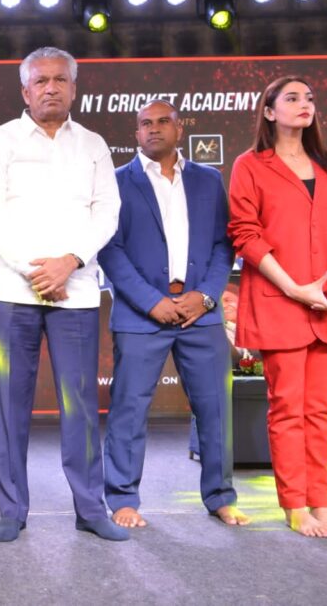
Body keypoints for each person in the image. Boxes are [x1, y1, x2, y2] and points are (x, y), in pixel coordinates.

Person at [0, 47, 127, 542]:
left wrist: (70, 262)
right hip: (11, 290)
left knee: (80, 407)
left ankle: (90, 509)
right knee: (11, 405)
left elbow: (107, 212)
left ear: (74, 89)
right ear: (25, 91)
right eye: (40, 81)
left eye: (60, 80)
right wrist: (35, 270)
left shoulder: (93, 144)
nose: (50, 88)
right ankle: (11, 511)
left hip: (76, 292)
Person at [227, 76, 327, 538]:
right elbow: (245, 233)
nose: (304, 104)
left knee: (322, 410)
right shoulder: (250, 165)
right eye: (291, 98)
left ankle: (321, 506)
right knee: (287, 409)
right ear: (269, 111)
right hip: (280, 304)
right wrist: (294, 288)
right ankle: (294, 507)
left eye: (309, 98)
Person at [98, 99, 249, 529]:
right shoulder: (116, 182)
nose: (154, 129)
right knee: (128, 410)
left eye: (163, 121)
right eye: (145, 123)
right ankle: (123, 499)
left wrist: (207, 296)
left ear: (179, 129)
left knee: (215, 409)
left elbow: (223, 244)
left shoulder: (208, 179)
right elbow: (110, 248)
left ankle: (220, 497)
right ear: (136, 133)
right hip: (141, 315)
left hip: (200, 314)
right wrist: (152, 301)